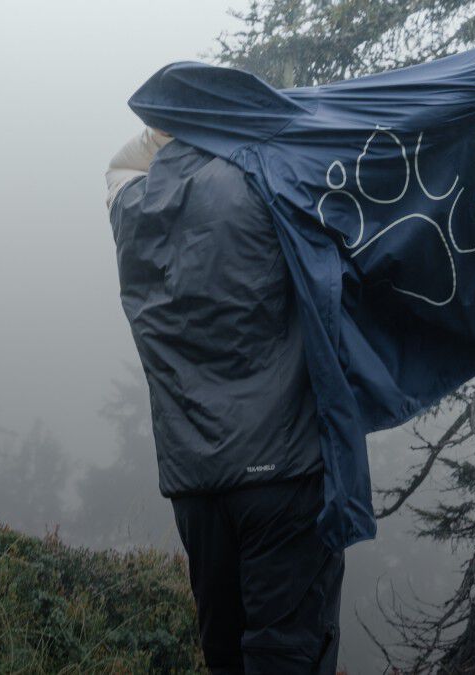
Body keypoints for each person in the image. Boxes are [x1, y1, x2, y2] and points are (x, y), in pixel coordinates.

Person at [105, 126, 344, 674]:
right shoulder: (272, 181)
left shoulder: (136, 208)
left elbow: (121, 164)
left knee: (224, 654)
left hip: (198, 487)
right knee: (289, 653)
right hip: (283, 473)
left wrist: (176, 125)